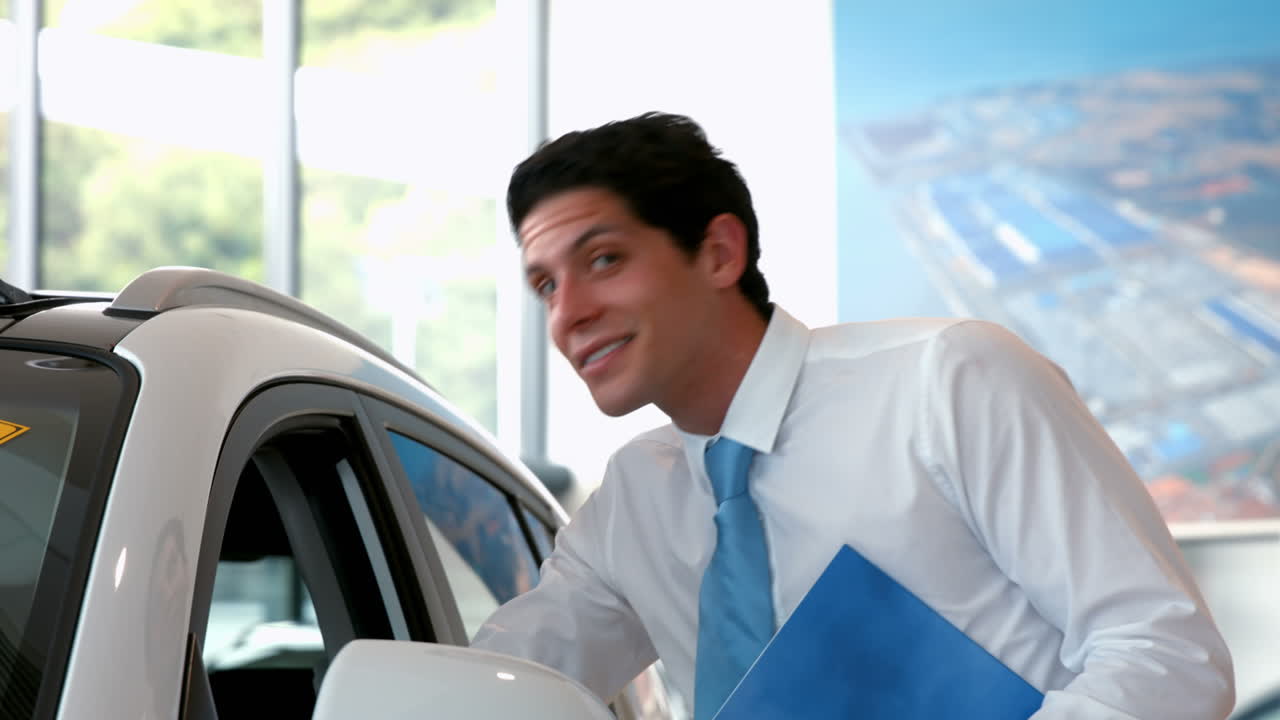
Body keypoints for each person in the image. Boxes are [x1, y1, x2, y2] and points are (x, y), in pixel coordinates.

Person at [471, 111, 1234, 719]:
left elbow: (1164, 652)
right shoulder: (633, 500)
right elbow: (495, 688)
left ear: (718, 253)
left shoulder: (949, 380)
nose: (567, 313)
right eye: (545, 286)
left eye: (603, 259)